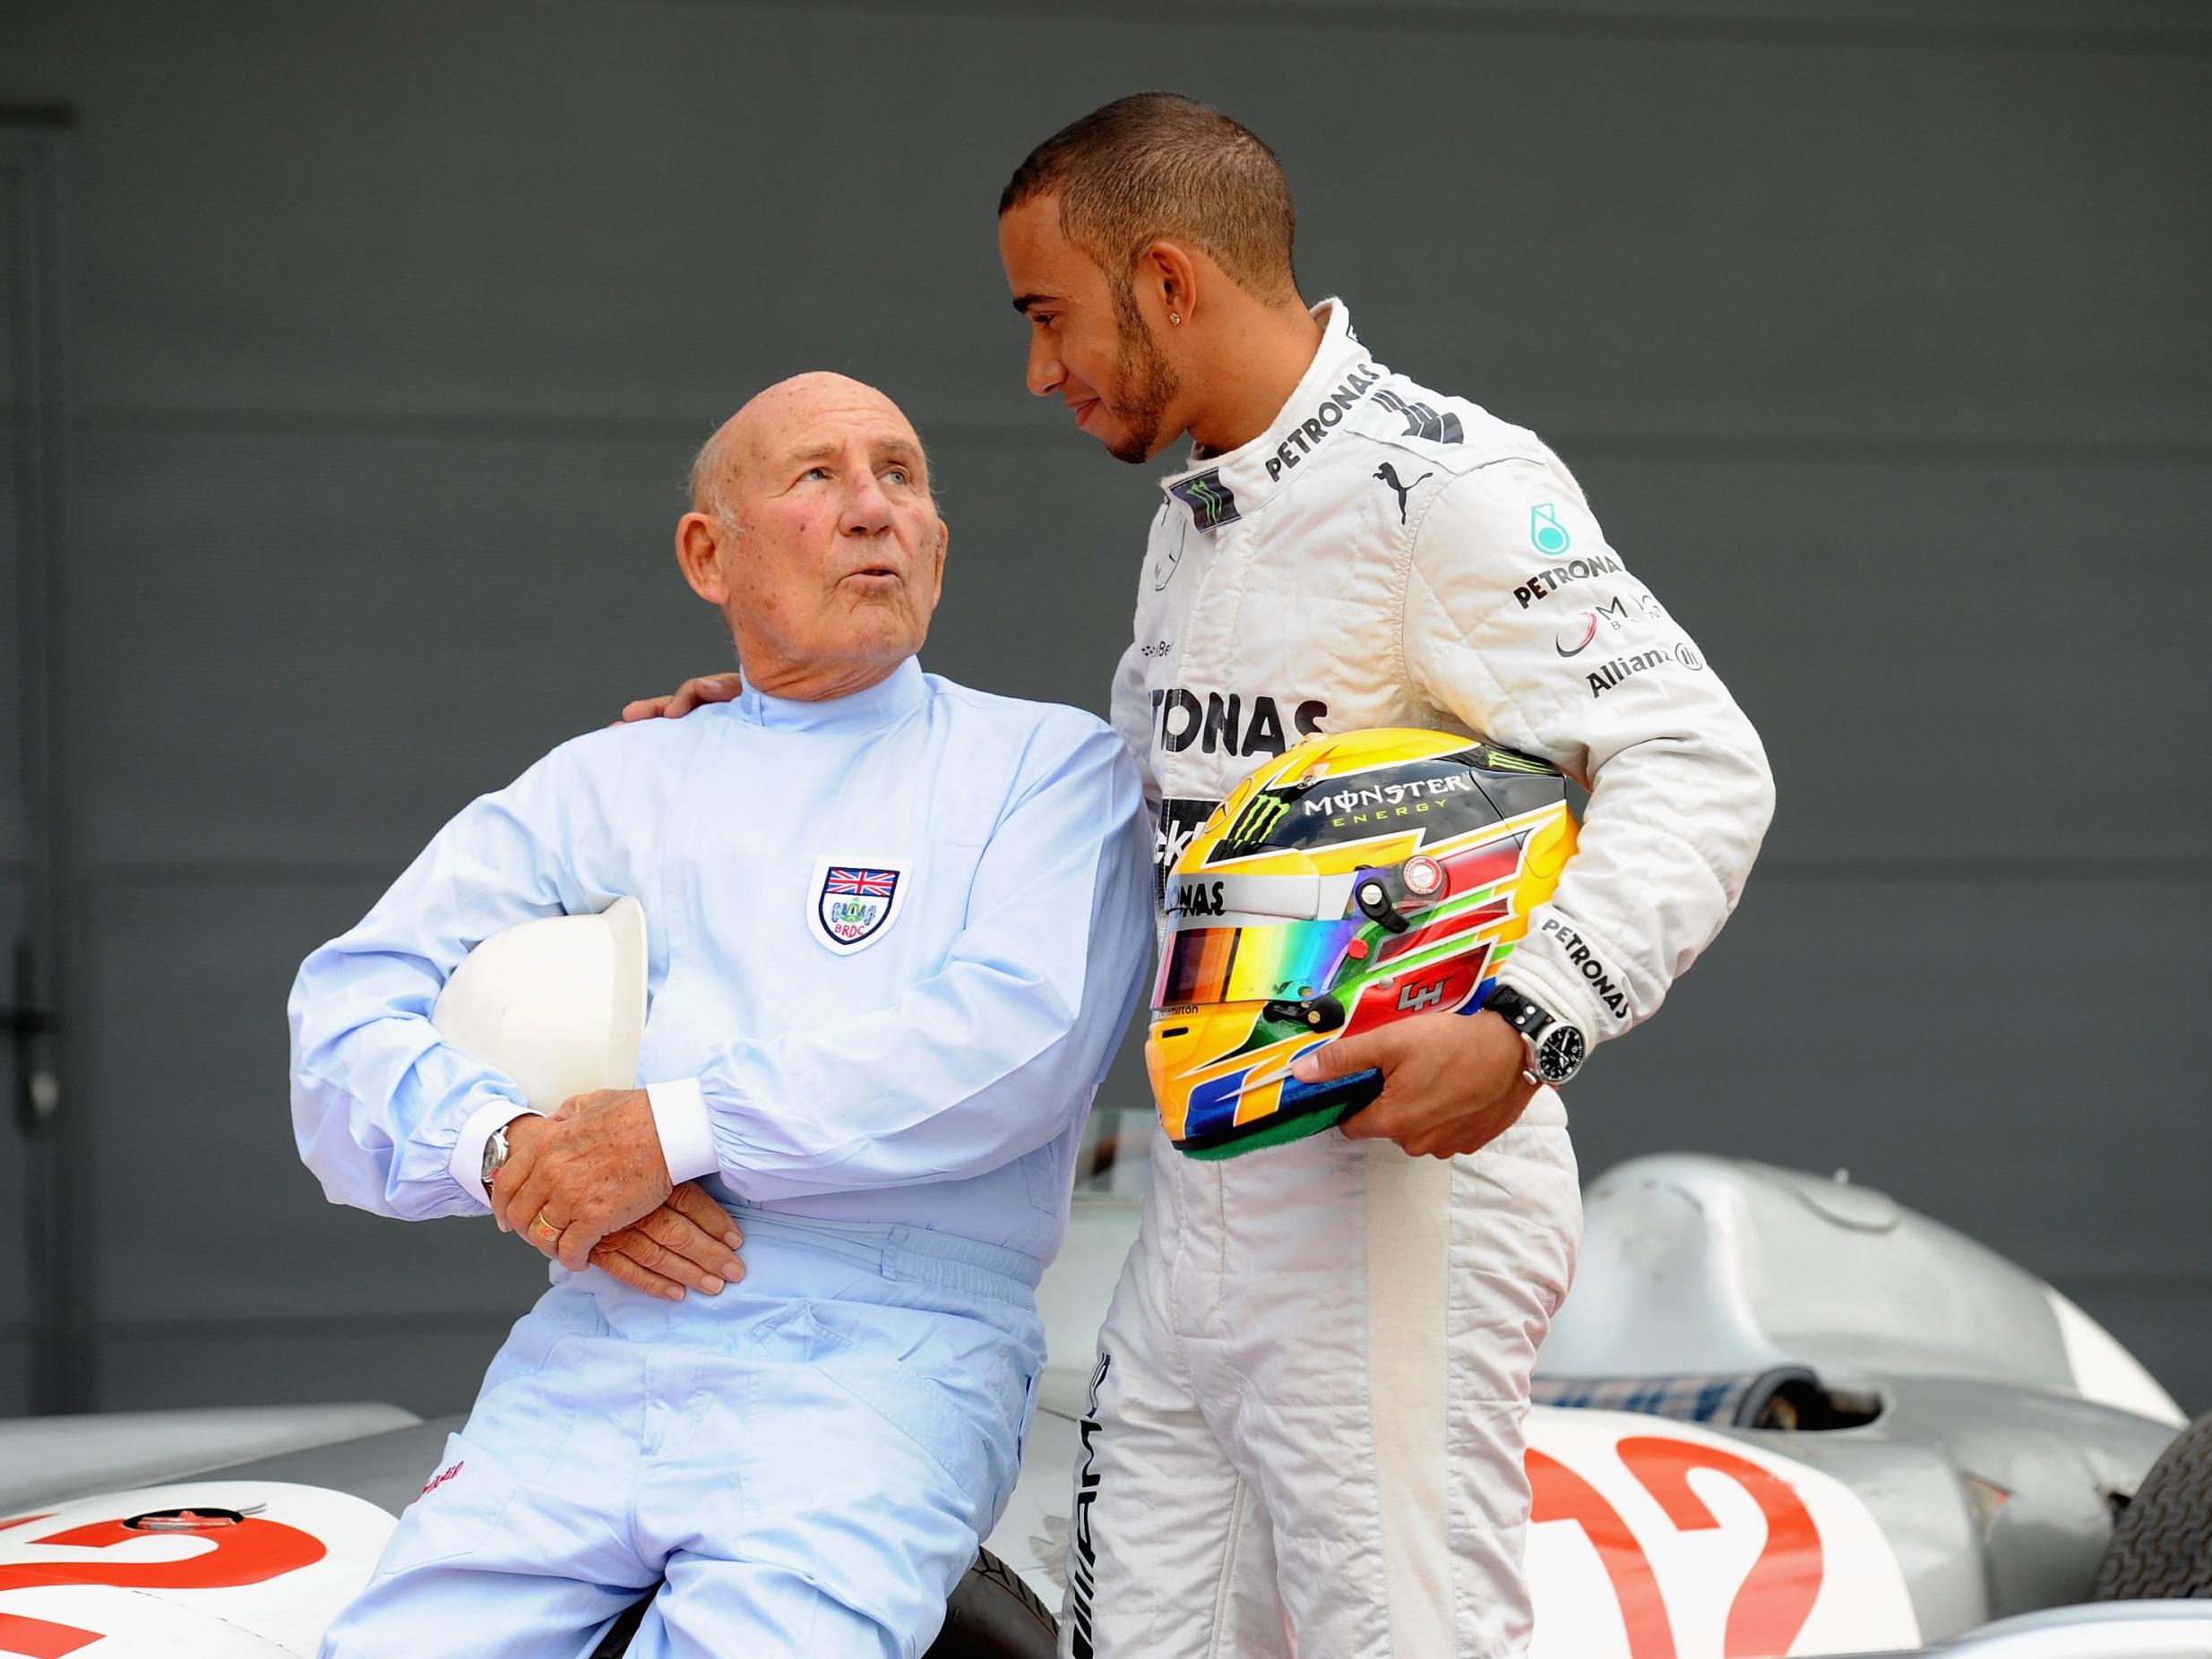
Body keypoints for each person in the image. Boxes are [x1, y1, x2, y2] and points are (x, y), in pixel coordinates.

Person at [628, 94, 1775, 1659]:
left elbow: (1699, 761)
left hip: (1392, 1204)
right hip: (1202, 1198)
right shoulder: (1210, 515)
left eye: (1051, 316)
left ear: (1165, 280)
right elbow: (1133, 821)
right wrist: (792, 721)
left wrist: (1524, 1028)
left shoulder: (1438, 482)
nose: (1038, 371)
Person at [290, 372, 1152, 1659]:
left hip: (882, 1360)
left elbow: (1012, 1042)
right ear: (709, 553)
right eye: (817, 476)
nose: (873, 509)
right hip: (593, 1337)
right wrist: (508, 1153)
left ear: (938, 544)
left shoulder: (1048, 768)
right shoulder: (613, 777)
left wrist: (671, 1133)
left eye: (902, 477)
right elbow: (349, 1007)